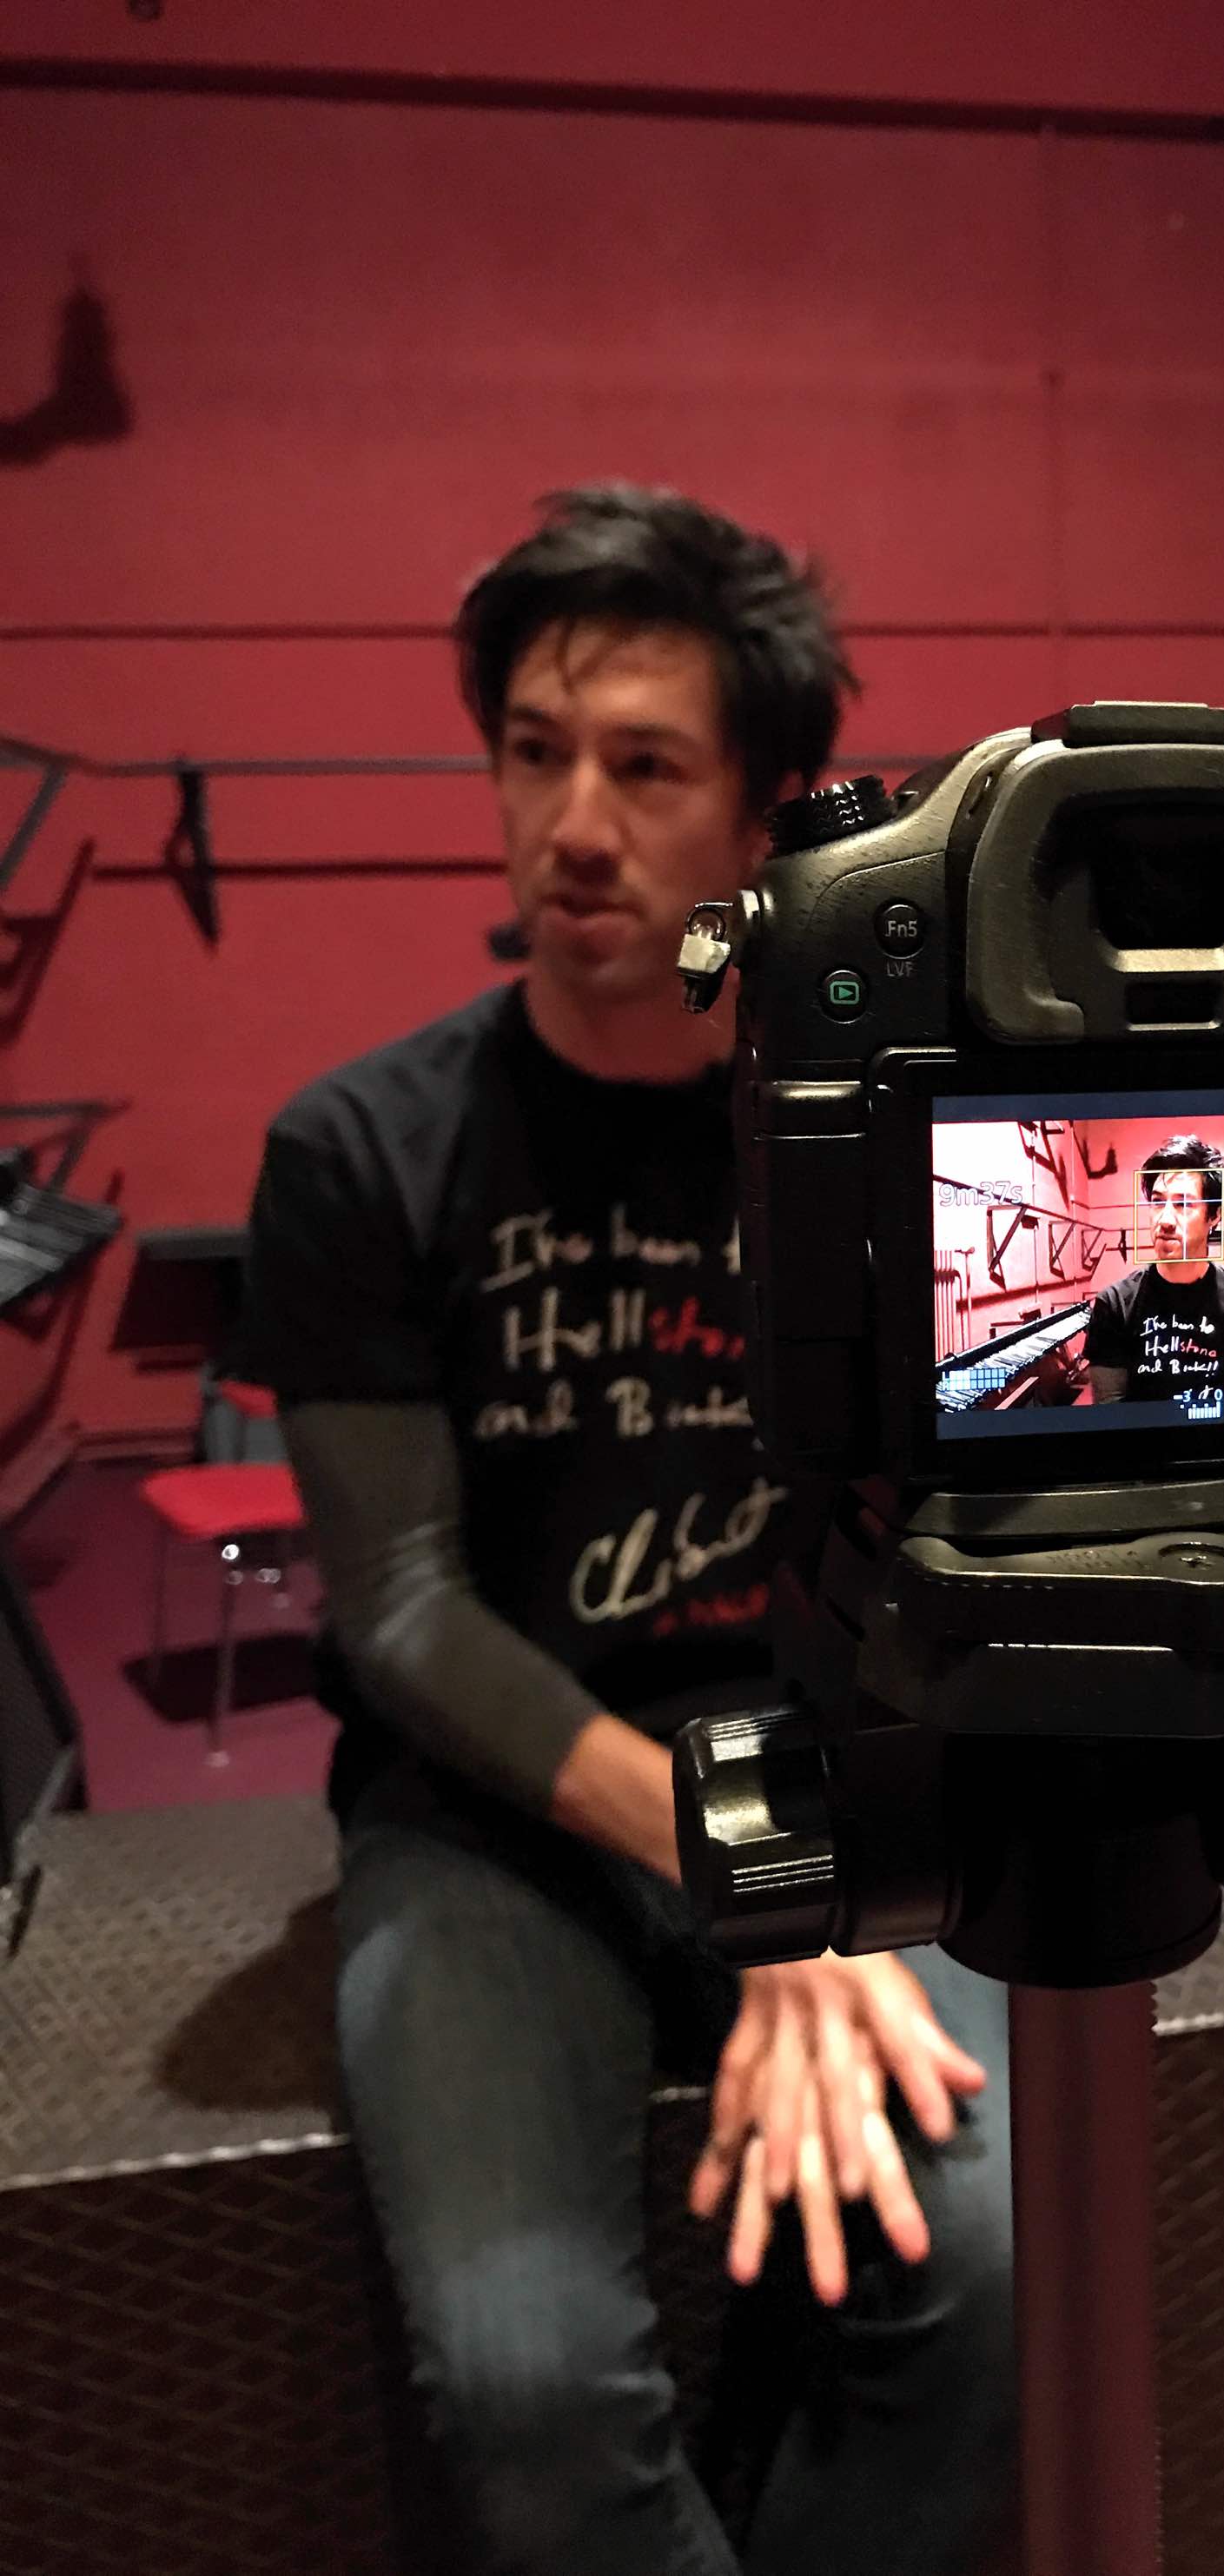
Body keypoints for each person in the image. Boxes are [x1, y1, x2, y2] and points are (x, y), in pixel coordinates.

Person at [232, 485, 1016, 2575]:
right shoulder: (358, 1149)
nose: (572, 826)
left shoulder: (887, 1133)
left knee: (979, 2284)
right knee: (528, 2383)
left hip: (839, 1767)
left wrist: (820, 1868)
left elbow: (939, 1535)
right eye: (534, 754)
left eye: (645, 768)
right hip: (491, 1811)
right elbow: (401, 1610)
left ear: (759, 814)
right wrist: (747, 1869)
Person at [1082, 1136, 1224, 1407]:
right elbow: (1111, 1414)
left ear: (1214, 1215)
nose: (1166, 1220)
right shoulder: (1114, 1306)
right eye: (1158, 1202)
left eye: (1184, 1204)